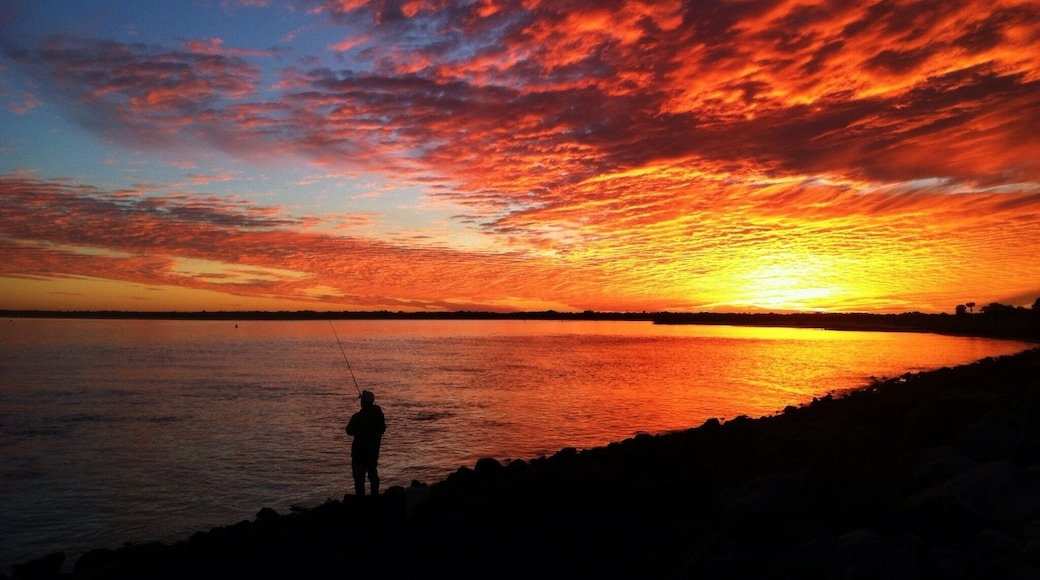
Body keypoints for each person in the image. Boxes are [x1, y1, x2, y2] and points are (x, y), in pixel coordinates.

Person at [345, 390, 386, 497]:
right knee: (373, 477)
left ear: (363, 402)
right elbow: (383, 429)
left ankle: (361, 503)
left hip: (359, 454)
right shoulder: (379, 416)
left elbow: (349, 431)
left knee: (359, 480)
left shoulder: (357, 417)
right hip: (373, 453)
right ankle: (375, 499)